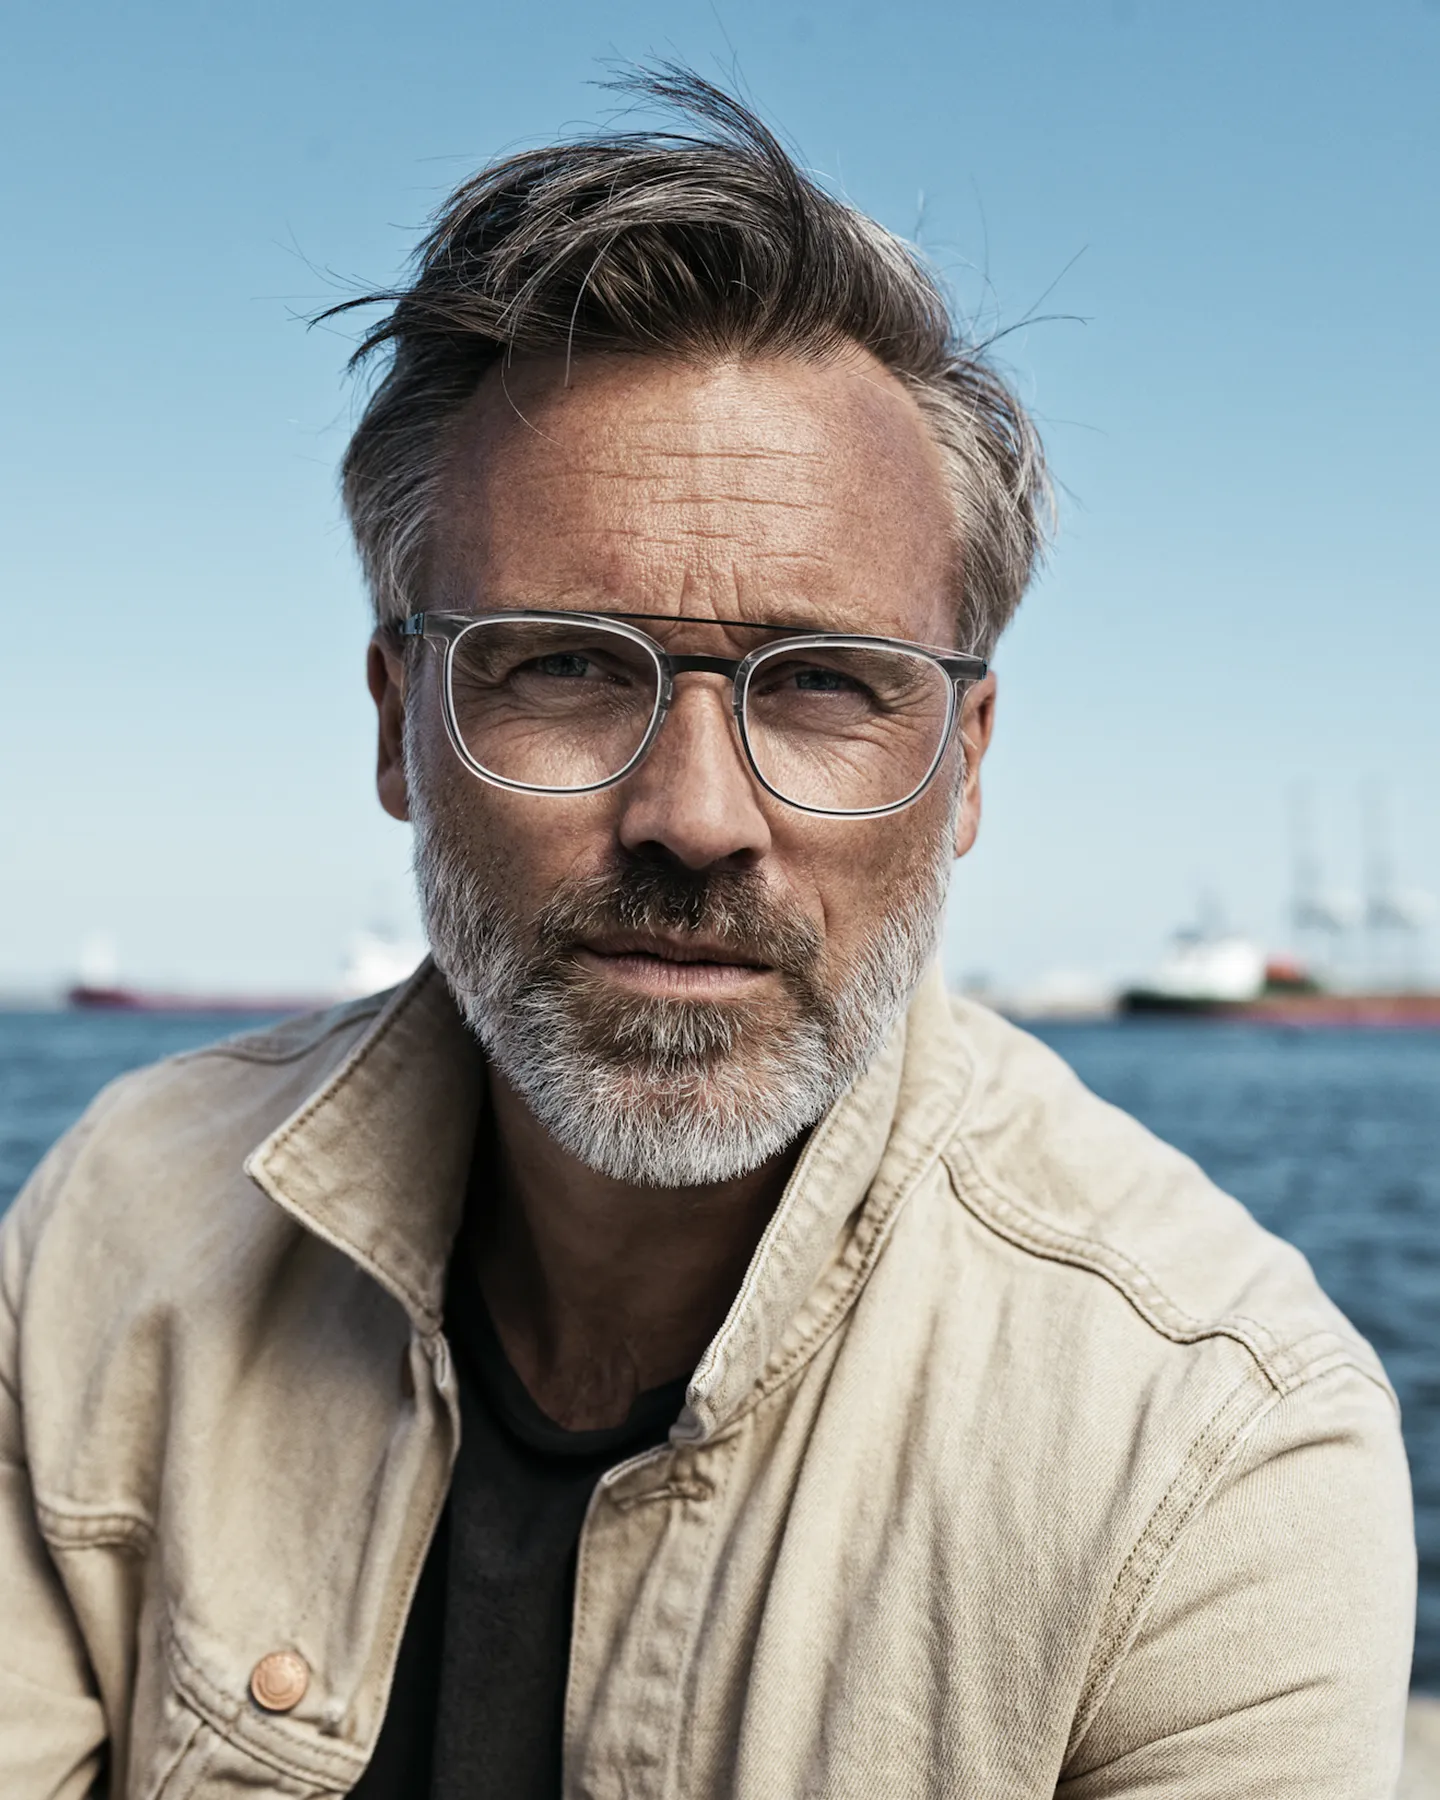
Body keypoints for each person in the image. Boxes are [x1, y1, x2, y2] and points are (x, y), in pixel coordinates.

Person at [0, 71, 1414, 1800]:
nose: (696, 814)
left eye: (823, 685)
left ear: (961, 770)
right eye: (567, 662)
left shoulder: (1210, 1449)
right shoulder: (112, 1239)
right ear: (398, 725)